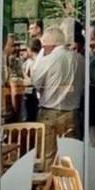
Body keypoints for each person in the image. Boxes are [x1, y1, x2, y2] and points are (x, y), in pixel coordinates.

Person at [33, 27, 83, 163]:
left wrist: (40, 57)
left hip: (49, 112)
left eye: (44, 46)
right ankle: (69, 183)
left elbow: (36, 82)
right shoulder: (79, 59)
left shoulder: (48, 59)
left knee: (47, 156)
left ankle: (50, 184)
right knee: (70, 158)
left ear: (50, 45)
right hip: (72, 113)